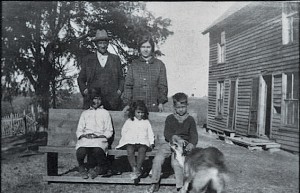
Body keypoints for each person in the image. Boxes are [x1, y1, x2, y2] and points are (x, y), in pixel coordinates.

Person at [146, 92, 198, 192]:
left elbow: (194, 135)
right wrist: (173, 137)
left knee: (176, 162)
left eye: (183, 107)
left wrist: (191, 144)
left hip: (183, 145)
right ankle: (154, 182)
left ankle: (180, 186)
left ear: (187, 106)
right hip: (170, 143)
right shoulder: (170, 118)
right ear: (174, 107)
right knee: (158, 158)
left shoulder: (190, 120)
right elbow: (167, 133)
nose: (181, 109)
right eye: (178, 107)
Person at [77, 29, 124, 110]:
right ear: (96, 44)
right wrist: (85, 90)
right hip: (93, 102)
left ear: (108, 44)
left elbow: (121, 78)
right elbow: (80, 79)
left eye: (105, 43)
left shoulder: (115, 59)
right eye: (100, 43)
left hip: (112, 102)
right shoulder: (88, 60)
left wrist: (119, 91)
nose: (103, 46)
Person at [122, 35, 168, 112]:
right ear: (139, 48)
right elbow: (128, 86)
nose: (145, 50)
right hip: (136, 107)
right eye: (143, 47)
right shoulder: (133, 65)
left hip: (153, 106)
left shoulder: (159, 65)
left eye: (148, 47)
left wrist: (161, 102)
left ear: (152, 48)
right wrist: (127, 104)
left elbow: (162, 85)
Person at [75, 88, 114, 179]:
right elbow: (79, 129)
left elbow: (109, 130)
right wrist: (84, 135)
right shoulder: (85, 113)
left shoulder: (105, 113)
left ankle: (99, 168)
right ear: (91, 99)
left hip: (99, 139)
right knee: (81, 151)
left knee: (97, 150)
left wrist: (100, 136)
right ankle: (81, 167)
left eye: (99, 99)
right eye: (94, 99)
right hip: (86, 139)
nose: (97, 101)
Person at [116, 100, 155, 181]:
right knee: (130, 149)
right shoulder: (129, 121)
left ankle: (138, 168)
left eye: (142, 113)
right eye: (138, 112)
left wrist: (151, 142)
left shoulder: (146, 122)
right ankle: (134, 167)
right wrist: (127, 139)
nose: (140, 114)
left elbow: (150, 133)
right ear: (134, 112)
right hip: (131, 141)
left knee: (142, 150)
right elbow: (124, 131)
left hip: (142, 142)